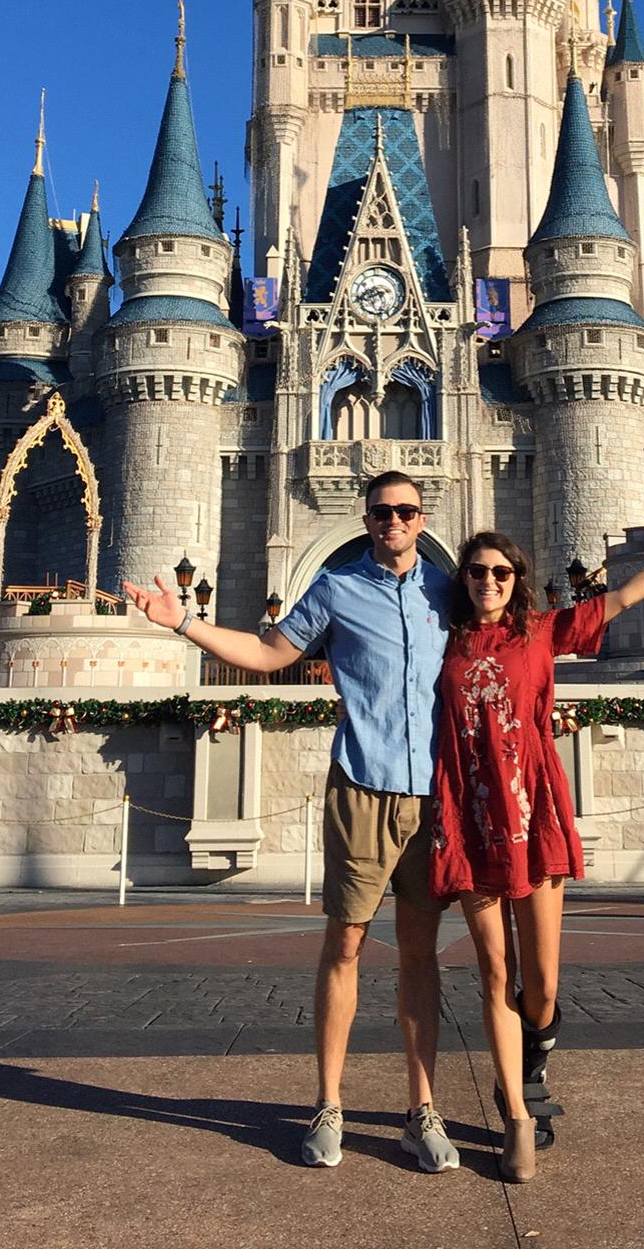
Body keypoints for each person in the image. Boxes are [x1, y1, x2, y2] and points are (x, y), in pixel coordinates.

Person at [123, 471, 460, 1174]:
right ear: (366, 520)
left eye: (404, 511)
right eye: (380, 512)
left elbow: (531, 641)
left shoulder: (448, 592)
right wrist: (180, 621)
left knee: (421, 957)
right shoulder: (339, 590)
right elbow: (271, 653)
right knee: (345, 946)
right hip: (362, 787)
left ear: (422, 516)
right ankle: (329, 1105)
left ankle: (421, 1111)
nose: (391, 522)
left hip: (433, 797)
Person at [430, 524, 644, 1182]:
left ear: (516, 581)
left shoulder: (540, 632)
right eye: (476, 572)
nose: (487, 581)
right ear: (461, 580)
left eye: (499, 573)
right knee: (493, 975)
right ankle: (515, 1112)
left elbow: (623, 598)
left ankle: (532, 1060)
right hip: (471, 817)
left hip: (533, 811)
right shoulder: (444, 641)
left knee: (540, 984)